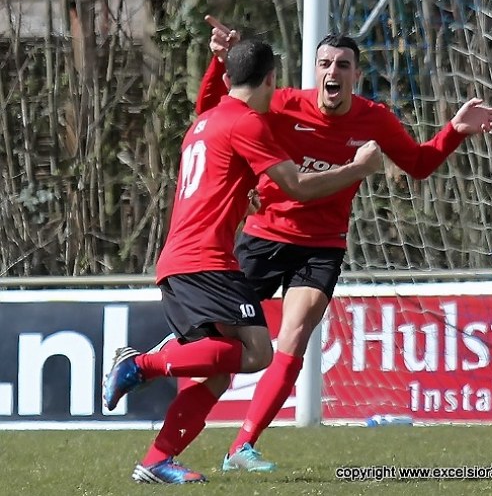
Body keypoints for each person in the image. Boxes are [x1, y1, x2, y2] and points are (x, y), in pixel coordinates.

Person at [193, 16, 492, 472]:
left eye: (343, 64)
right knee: (220, 343)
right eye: (325, 63)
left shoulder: (373, 118)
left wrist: (455, 131)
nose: (332, 72)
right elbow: (213, 113)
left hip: (322, 245)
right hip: (263, 237)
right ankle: (162, 386)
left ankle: (242, 446)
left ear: (355, 75)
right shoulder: (279, 105)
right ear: (314, 70)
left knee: (295, 335)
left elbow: (417, 164)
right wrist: (217, 61)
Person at [102, 38, 383, 484]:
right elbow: (298, 187)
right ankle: (141, 364)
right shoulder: (247, 123)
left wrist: (243, 200)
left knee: (218, 370)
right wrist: (358, 168)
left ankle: (156, 460)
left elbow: (219, 180)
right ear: (271, 78)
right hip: (206, 261)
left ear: (229, 78)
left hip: (185, 257)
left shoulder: (206, 122)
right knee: (256, 353)